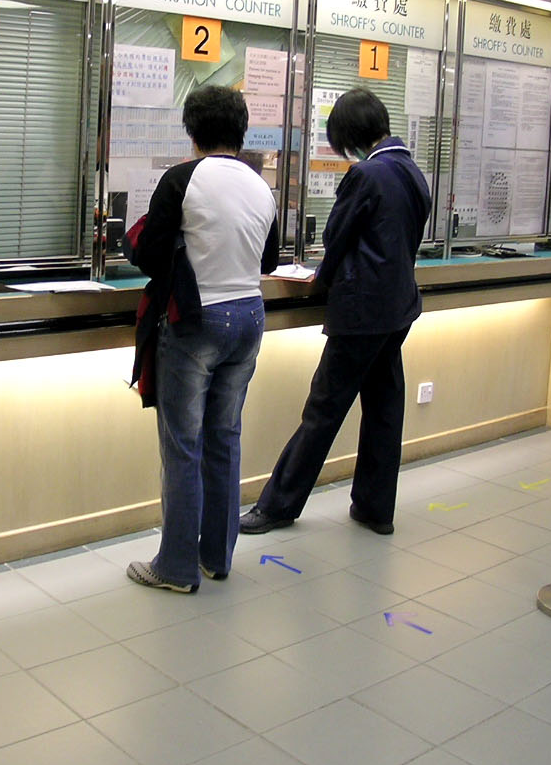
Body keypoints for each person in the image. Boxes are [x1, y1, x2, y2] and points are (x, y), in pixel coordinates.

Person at [241, 87, 430, 537]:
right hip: (399, 308)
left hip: (362, 314)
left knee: (323, 410)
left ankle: (278, 505)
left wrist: (320, 277)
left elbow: (336, 236)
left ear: (350, 135)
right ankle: (375, 508)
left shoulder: (366, 174)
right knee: (385, 410)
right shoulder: (413, 172)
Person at [125, 85, 280, 592]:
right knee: (224, 439)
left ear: (192, 133)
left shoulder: (182, 180)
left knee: (183, 445)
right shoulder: (261, 186)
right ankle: (216, 555)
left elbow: (146, 254)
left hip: (197, 323)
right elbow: (270, 262)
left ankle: (174, 567)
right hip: (250, 317)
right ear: (241, 131)